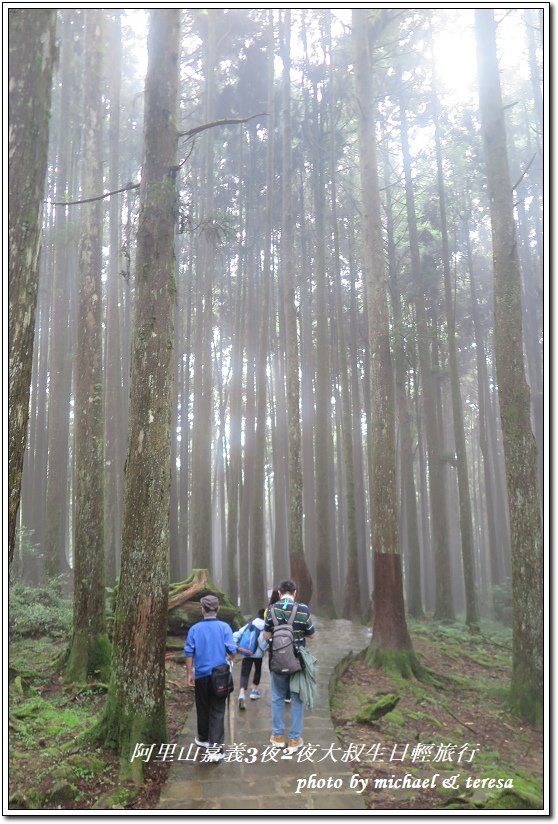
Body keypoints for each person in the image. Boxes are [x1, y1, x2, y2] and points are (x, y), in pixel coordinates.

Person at [263, 579, 315, 754]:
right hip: (297, 661)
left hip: (276, 660)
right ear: (295, 593)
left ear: (278, 593)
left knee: (277, 697)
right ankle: (294, 739)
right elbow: (312, 634)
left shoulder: (271, 610)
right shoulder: (303, 609)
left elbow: (266, 635)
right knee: (297, 699)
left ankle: (277, 736)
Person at [184, 594, 236, 762]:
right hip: (219, 676)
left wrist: (189, 673)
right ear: (218, 609)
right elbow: (232, 651)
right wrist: (231, 656)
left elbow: (189, 652)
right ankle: (215, 750)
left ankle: (203, 738)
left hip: (201, 675)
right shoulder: (224, 627)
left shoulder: (194, 629)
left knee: (202, 706)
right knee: (218, 709)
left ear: (202, 610)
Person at [233, 608, 267, 710]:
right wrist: (265, 649)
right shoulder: (266, 626)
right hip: (259, 654)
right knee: (257, 671)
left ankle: (242, 694)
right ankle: (254, 691)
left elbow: (236, 634)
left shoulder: (250, 623)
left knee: (244, 673)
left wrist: (234, 648)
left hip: (247, 652)